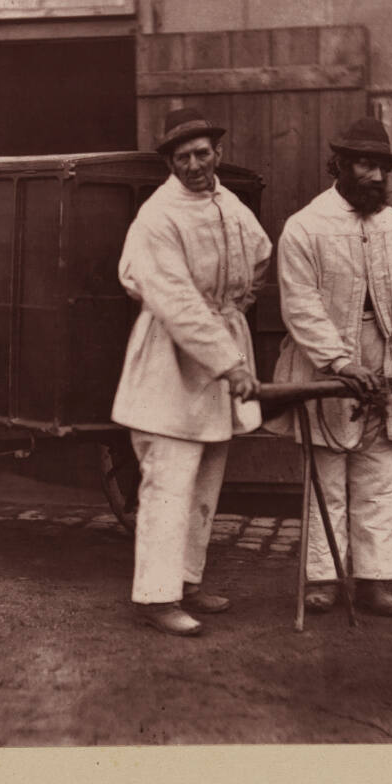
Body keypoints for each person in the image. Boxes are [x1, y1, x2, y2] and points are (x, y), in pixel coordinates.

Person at [272, 115, 392, 617]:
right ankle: (324, 579)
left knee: (381, 475)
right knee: (327, 478)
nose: (375, 176)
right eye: (365, 164)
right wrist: (340, 362)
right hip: (325, 361)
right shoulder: (305, 226)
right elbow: (301, 306)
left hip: (385, 356)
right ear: (340, 165)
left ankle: (374, 580)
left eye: (382, 167)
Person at [111, 108, 272, 636]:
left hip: (218, 356)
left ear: (217, 153)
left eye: (203, 153)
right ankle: (155, 598)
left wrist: (236, 306)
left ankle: (186, 580)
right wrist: (230, 363)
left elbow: (261, 254)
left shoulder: (230, 204)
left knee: (205, 480)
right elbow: (177, 302)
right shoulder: (158, 217)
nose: (195, 165)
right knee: (168, 480)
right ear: (170, 163)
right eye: (182, 158)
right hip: (168, 361)